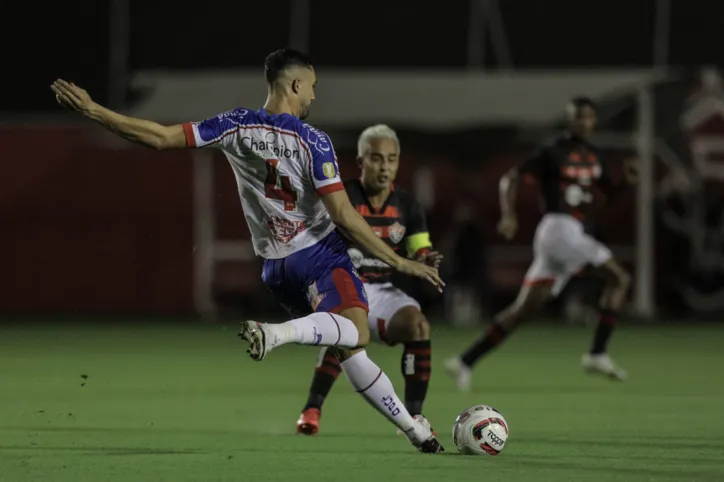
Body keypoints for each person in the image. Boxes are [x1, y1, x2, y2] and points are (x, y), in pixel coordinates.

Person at [51, 48, 444, 453]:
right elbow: (343, 215)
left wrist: (94, 110)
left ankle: (416, 432)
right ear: (295, 84)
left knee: (349, 349)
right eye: (312, 87)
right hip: (320, 254)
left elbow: (161, 138)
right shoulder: (313, 140)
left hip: (275, 268)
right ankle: (277, 334)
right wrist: (399, 262)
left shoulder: (235, 124)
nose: (313, 96)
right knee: (357, 332)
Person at [444, 96, 637, 391]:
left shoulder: (596, 156)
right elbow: (511, 178)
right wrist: (508, 215)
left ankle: (465, 361)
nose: (582, 123)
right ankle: (597, 353)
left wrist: (625, 183)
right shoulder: (552, 151)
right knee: (619, 278)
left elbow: (608, 197)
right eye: (577, 117)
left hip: (571, 235)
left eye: (587, 118)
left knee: (523, 310)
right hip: (559, 229)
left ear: (594, 121)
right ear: (569, 120)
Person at [296, 125, 441, 435]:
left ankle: (414, 417)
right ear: (361, 162)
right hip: (343, 285)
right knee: (346, 330)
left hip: (384, 290)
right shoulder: (342, 198)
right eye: (376, 159)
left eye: (391, 159)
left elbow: (420, 248)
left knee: (419, 326)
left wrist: (426, 259)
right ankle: (312, 408)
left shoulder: (409, 206)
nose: (385, 166)